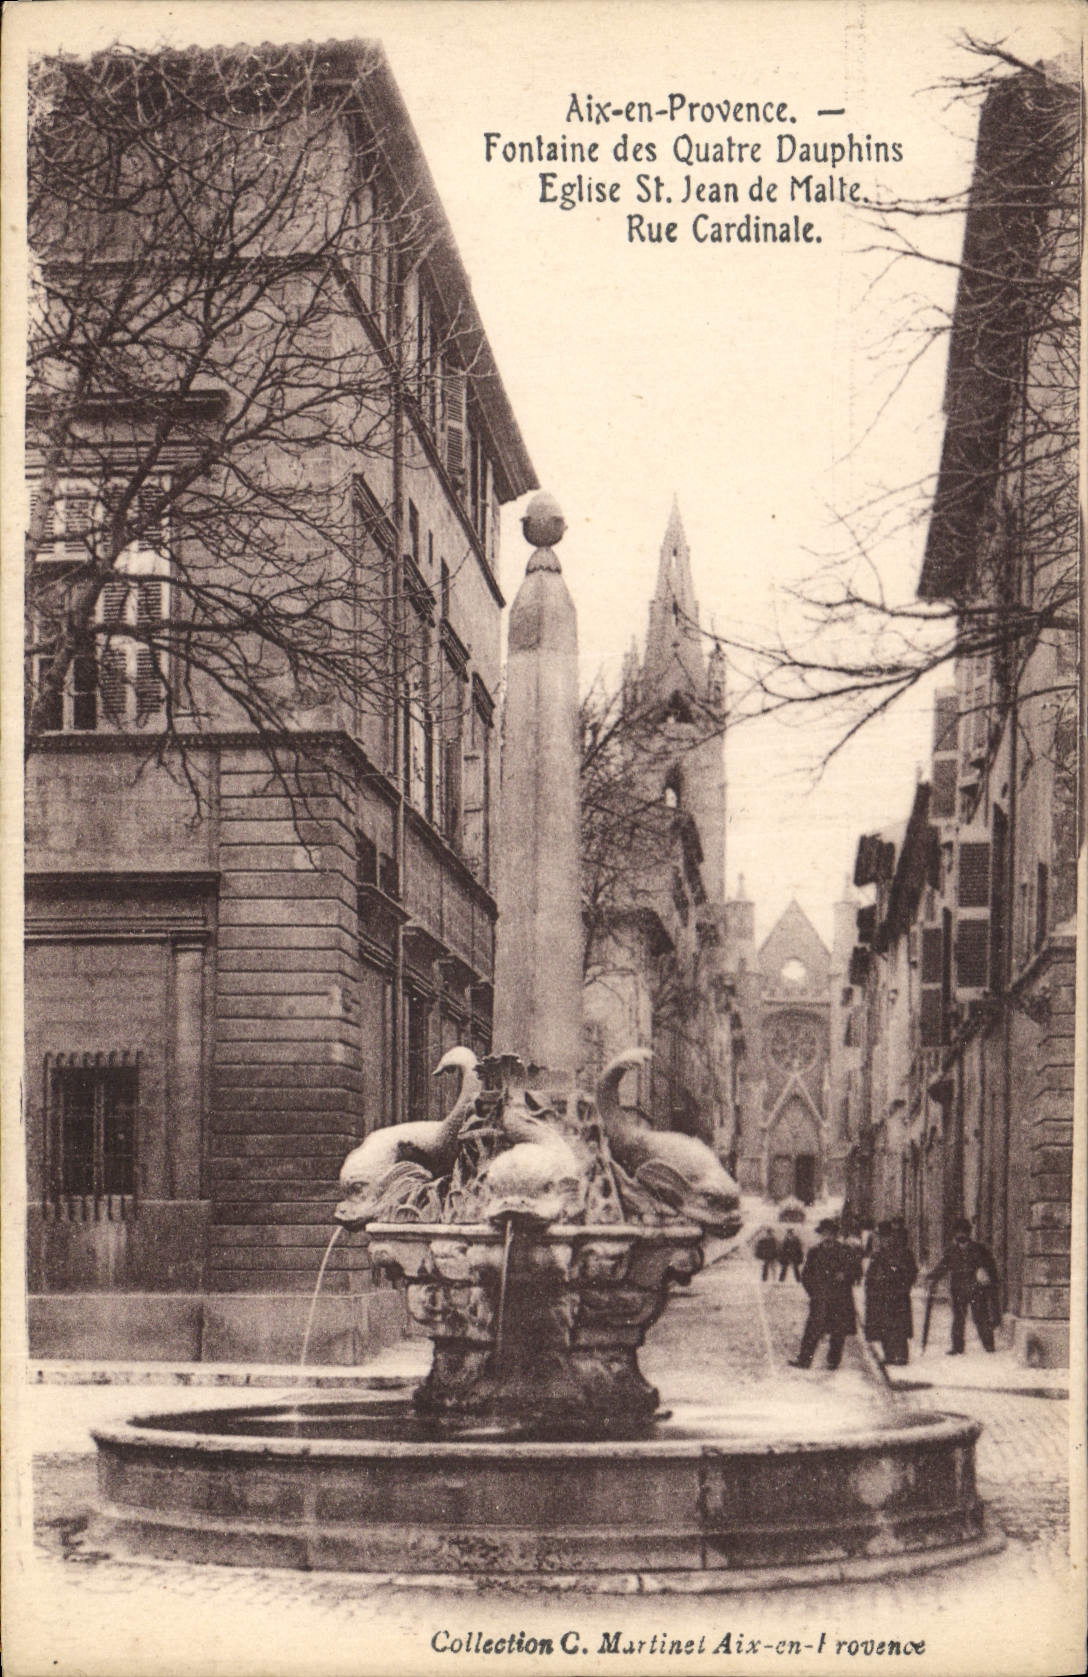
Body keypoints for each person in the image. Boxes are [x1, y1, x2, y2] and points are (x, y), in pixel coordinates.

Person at [790, 1218, 863, 1370]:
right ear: (821, 1235)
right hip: (820, 1297)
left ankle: (833, 1361)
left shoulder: (846, 1251)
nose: (827, 1237)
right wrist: (813, 1292)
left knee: (838, 1331)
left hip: (840, 1298)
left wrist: (846, 1275)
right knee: (813, 1329)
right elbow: (806, 1275)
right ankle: (804, 1360)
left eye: (830, 1234)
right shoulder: (814, 1252)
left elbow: (857, 1271)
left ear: (835, 1235)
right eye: (824, 1234)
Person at [927, 1218, 1000, 1354]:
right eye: (958, 1233)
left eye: (963, 1233)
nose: (960, 1236)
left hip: (976, 1290)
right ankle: (957, 1347)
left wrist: (988, 1277)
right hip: (958, 1289)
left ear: (968, 1233)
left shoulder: (980, 1250)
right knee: (958, 1319)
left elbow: (990, 1266)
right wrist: (932, 1276)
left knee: (980, 1317)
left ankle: (989, 1345)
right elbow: (943, 1266)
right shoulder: (951, 1251)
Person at [864, 1219, 918, 1366]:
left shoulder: (903, 1254)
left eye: (886, 1237)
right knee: (883, 1328)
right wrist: (870, 1291)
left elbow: (911, 1272)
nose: (884, 1240)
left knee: (898, 1327)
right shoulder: (878, 1255)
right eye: (881, 1237)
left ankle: (901, 1356)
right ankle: (889, 1355)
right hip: (880, 1298)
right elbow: (870, 1275)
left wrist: (903, 1288)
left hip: (897, 1297)